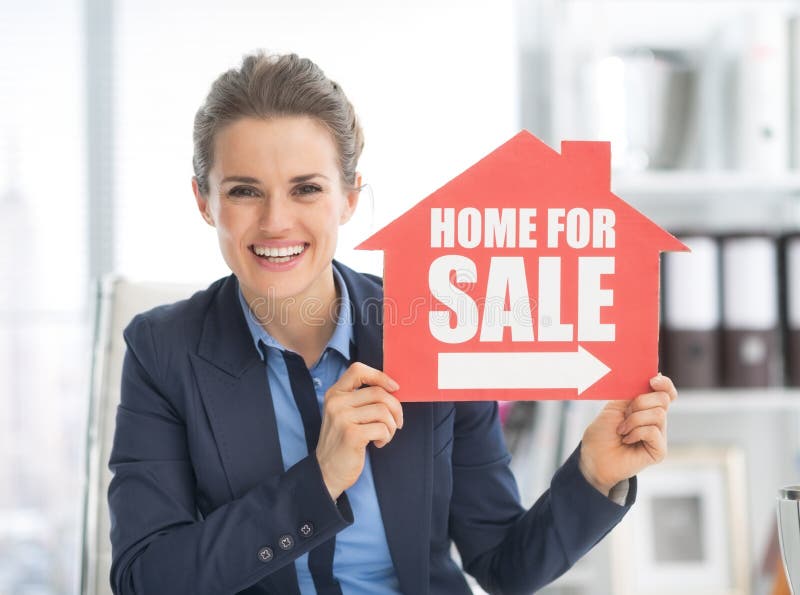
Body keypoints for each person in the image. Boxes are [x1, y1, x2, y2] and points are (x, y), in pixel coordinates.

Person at [107, 50, 678, 595]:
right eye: (243, 191)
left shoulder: (437, 323)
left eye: (307, 188)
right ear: (205, 202)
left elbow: (503, 564)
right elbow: (146, 579)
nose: (276, 221)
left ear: (350, 197)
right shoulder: (164, 350)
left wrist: (594, 475)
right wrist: (320, 480)